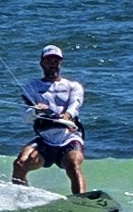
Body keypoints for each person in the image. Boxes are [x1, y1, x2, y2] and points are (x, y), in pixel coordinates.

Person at [12, 44, 90, 194]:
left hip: (69, 137)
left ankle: (81, 199)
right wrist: (36, 110)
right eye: (48, 60)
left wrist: (67, 115)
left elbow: (75, 105)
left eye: (56, 60)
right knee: (20, 164)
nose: (52, 63)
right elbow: (25, 117)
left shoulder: (73, 86)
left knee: (74, 163)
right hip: (45, 139)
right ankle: (20, 199)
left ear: (61, 62)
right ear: (42, 63)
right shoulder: (31, 87)